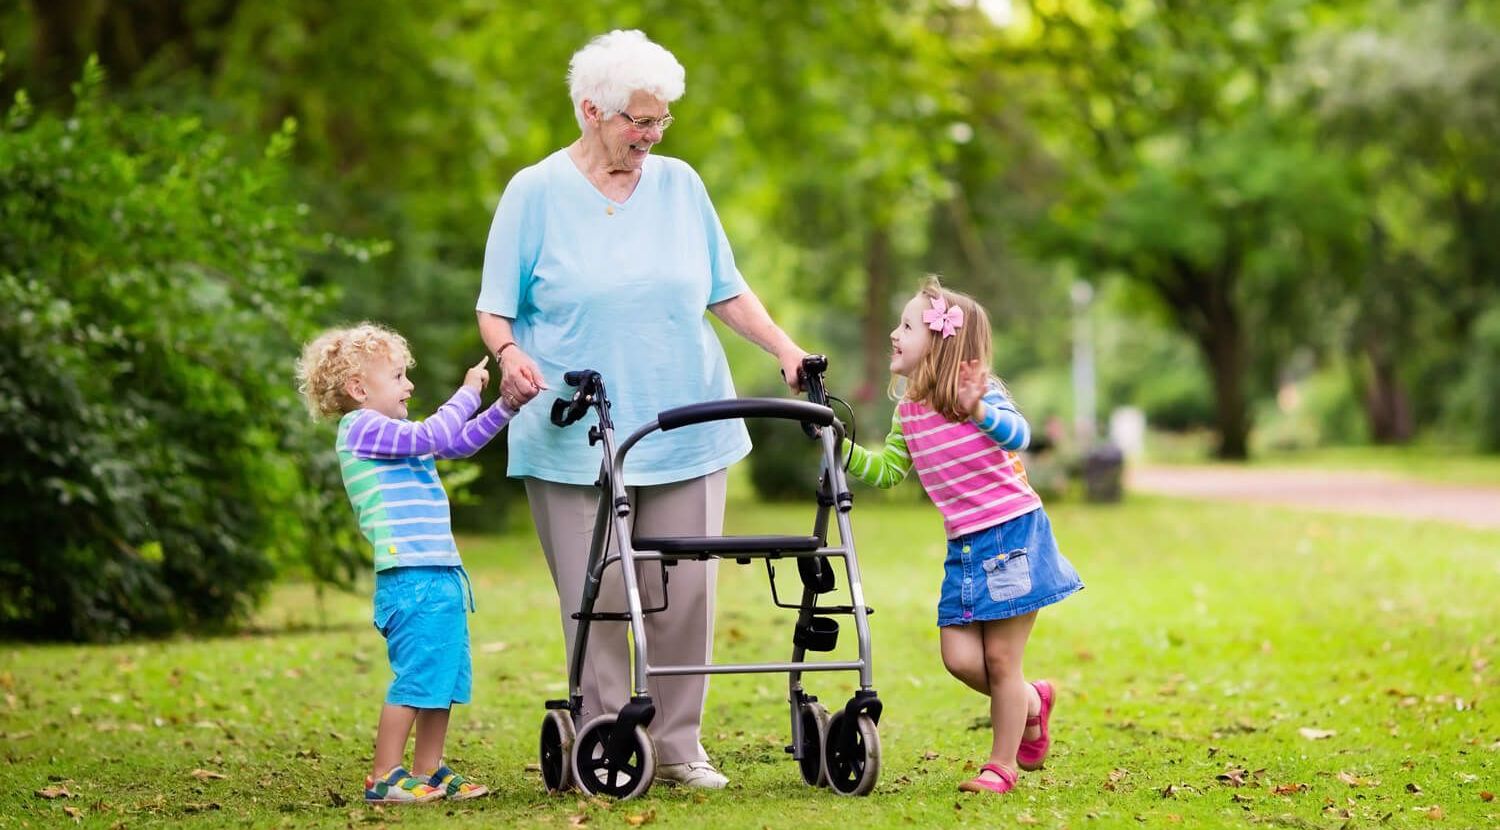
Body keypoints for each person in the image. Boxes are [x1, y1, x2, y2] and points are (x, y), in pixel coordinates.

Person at [475, 29, 807, 789]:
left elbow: (725, 287)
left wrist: (784, 349)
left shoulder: (681, 185)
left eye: (661, 121)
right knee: (593, 597)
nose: (652, 137)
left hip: (686, 417)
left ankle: (680, 744)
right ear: (592, 110)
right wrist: (510, 356)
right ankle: (605, 740)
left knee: (685, 592)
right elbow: (496, 310)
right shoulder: (534, 191)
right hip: (573, 429)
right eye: (639, 122)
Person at [840, 276, 1084, 795]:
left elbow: (1021, 436)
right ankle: (1033, 702)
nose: (893, 333)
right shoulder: (907, 412)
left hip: (1014, 536)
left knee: (1000, 661)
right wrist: (840, 449)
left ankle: (1001, 766)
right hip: (965, 547)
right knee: (959, 659)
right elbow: (887, 472)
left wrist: (978, 410)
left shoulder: (981, 396)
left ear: (940, 341)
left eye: (905, 326)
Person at [296, 322, 540, 803]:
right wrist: (467, 392)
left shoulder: (397, 433)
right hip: (410, 576)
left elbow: (456, 442)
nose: (409, 385)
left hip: (440, 572)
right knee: (417, 677)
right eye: (399, 375)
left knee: (444, 675)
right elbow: (438, 431)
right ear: (359, 388)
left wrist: (506, 406)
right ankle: (385, 775)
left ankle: (427, 770)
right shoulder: (361, 428)